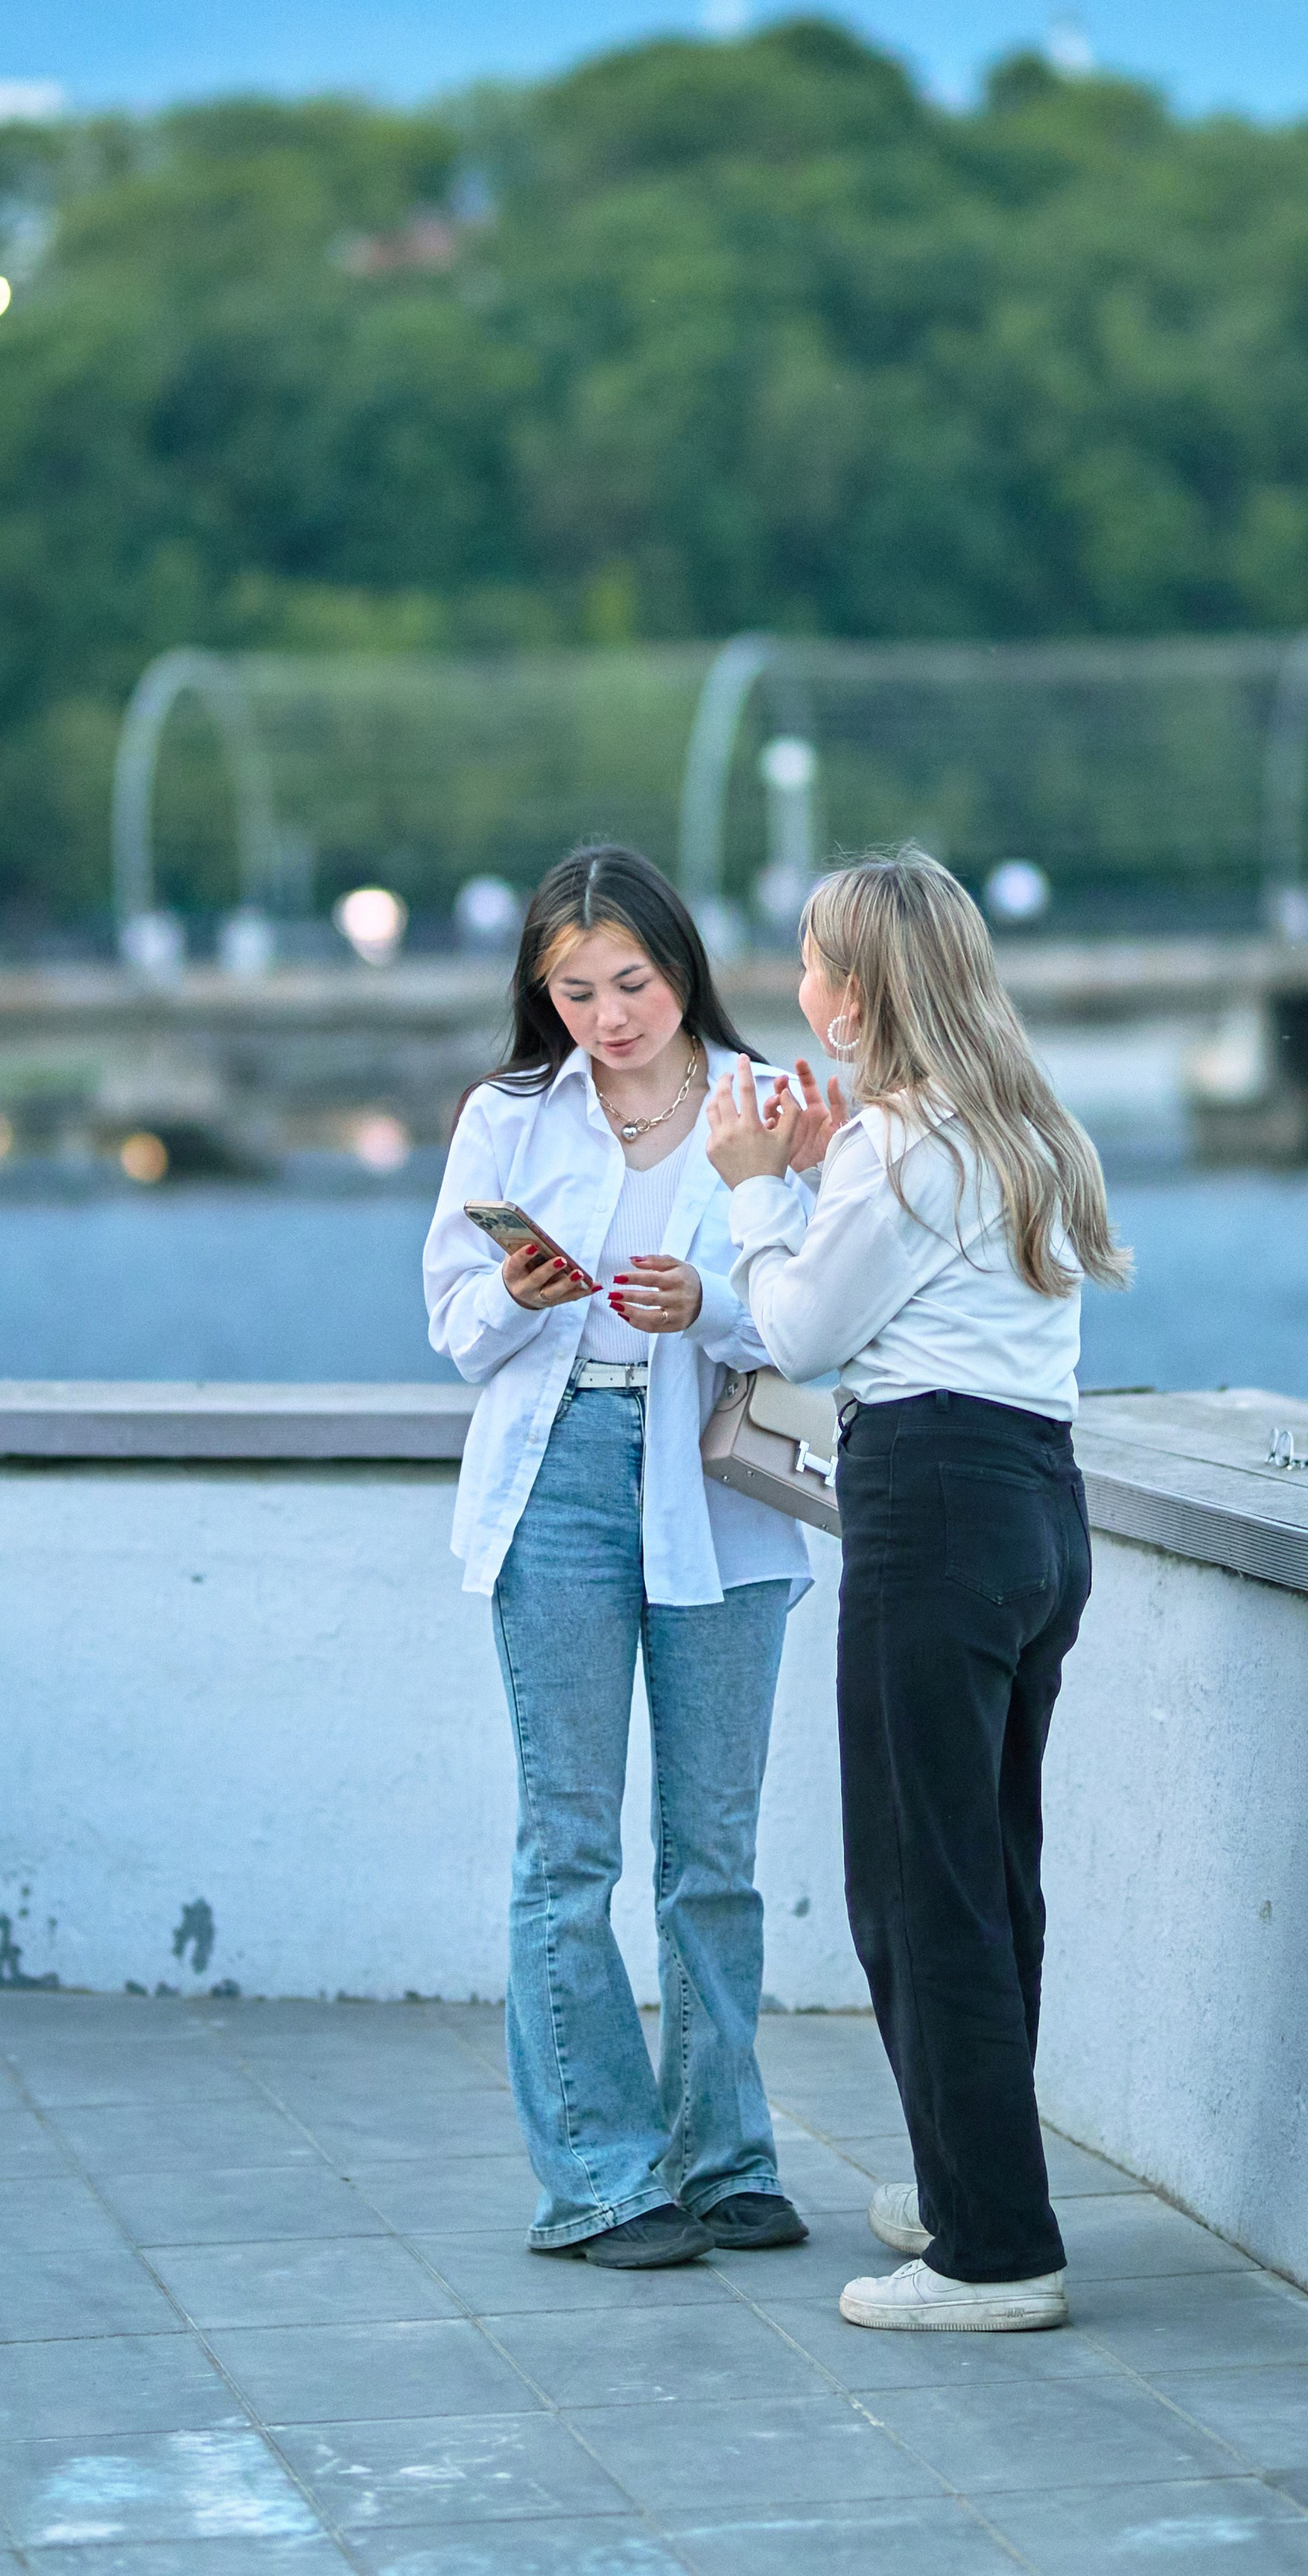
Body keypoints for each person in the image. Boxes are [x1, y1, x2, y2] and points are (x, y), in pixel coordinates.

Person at [705, 848, 1130, 2332]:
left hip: (932, 1508)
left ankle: (994, 2255)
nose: (801, 984)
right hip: (1035, 1507)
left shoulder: (892, 1148)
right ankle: (971, 2183)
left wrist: (763, 1195)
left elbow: (804, 1334)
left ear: (861, 993)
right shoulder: (1020, 1123)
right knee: (985, 1870)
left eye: (818, 962)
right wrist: (823, 1176)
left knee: (914, 1882)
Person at [424, 845, 811, 2268]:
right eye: (576, 990)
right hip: (558, 1485)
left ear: (683, 965)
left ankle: (726, 2157)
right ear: (544, 992)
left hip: (719, 1482)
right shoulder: (510, 1118)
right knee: (567, 1845)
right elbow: (454, 1324)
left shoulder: (768, 1103)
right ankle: (600, 2175)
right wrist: (526, 1296)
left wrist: (710, 1304)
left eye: (632, 982)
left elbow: (818, 1319)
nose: (610, 1016)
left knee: (714, 1848)